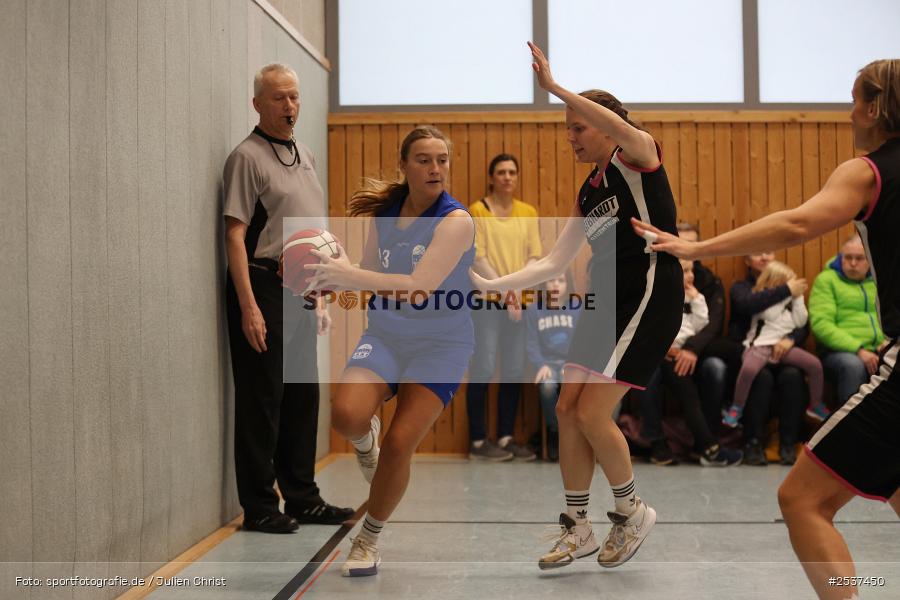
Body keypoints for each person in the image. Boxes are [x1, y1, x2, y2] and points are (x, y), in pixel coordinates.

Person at [632, 59, 900, 600]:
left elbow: (798, 223)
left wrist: (695, 247)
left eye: (853, 99)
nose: (849, 112)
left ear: (874, 107)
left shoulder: (867, 171)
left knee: (802, 500)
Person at [471, 42, 683, 571]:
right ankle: (578, 525)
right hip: (603, 302)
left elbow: (615, 125)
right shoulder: (589, 191)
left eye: (576, 127)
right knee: (567, 409)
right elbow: (551, 262)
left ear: (604, 126)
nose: (570, 136)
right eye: (567, 127)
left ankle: (631, 511)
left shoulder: (638, 155)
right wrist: (492, 285)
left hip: (649, 296)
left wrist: (554, 89)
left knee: (592, 412)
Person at [304, 126, 476, 577]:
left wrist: (347, 276)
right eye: (423, 159)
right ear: (404, 165)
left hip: (441, 344)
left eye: (442, 159)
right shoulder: (386, 214)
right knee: (345, 416)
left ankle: (369, 537)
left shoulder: (456, 220)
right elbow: (365, 273)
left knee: (400, 444)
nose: (435, 167)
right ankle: (365, 441)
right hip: (386, 334)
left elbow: (418, 289)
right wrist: (330, 284)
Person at [222, 63, 352, 533]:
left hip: (300, 290)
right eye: (279, 98)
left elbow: (310, 231)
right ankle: (259, 506)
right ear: (258, 103)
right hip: (261, 286)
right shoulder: (246, 157)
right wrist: (248, 306)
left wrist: (318, 294)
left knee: (301, 398)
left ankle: (302, 497)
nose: (290, 106)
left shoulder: (306, 153)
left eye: (294, 97)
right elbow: (235, 235)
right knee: (263, 399)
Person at [701, 251, 810, 465]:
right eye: (757, 252)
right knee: (761, 377)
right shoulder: (741, 287)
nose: (764, 257)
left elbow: (803, 322)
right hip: (749, 352)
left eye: (769, 251)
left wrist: (792, 339)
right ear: (747, 260)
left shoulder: (791, 283)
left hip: (783, 351)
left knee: (793, 376)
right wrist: (786, 289)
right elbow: (749, 304)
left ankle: (788, 443)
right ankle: (752, 442)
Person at [467, 154, 542, 461]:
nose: (507, 177)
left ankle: (507, 437)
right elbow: (478, 258)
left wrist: (517, 293)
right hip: (488, 302)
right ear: (491, 177)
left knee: (513, 370)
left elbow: (535, 257)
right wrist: (508, 291)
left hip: (519, 304)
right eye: (501, 172)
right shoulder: (477, 210)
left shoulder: (528, 212)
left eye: (512, 171)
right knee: (483, 367)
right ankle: (477, 442)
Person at [635, 258, 742, 467]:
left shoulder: (696, 294)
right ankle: (708, 447)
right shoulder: (659, 295)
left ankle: (708, 445)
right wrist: (664, 347)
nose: (691, 276)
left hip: (684, 350)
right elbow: (650, 326)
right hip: (664, 353)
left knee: (693, 384)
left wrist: (697, 300)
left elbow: (701, 324)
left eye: (691, 270)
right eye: (685, 271)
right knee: (685, 390)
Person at [722, 260, 828, 428]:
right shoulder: (762, 298)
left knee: (814, 364)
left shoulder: (790, 302)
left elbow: (800, 322)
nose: (791, 287)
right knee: (748, 370)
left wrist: (798, 299)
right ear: (775, 282)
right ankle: (736, 407)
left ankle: (815, 404)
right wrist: (785, 293)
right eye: (787, 283)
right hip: (759, 346)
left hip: (781, 348)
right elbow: (770, 314)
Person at [809, 234, 886, 405]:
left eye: (859, 258)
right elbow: (821, 324)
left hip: (878, 348)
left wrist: (887, 342)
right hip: (838, 352)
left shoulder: (880, 280)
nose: (852, 263)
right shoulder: (827, 280)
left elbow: (892, 316)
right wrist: (859, 350)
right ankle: (849, 426)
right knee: (853, 365)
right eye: (848, 257)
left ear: (869, 260)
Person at [524, 272, 580, 461]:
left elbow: (583, 341)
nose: (555, 284)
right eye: (551, 280)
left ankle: (572, 435)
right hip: (547, 364)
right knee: (547, 386)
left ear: (568, 284)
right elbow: (531, 343)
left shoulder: (577, 307)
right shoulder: (534, 310)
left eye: (561, 280)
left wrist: (572, 364)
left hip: (570, 364)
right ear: (544, 284)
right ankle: (554, 431)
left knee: (568, 384)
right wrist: (540, 364)